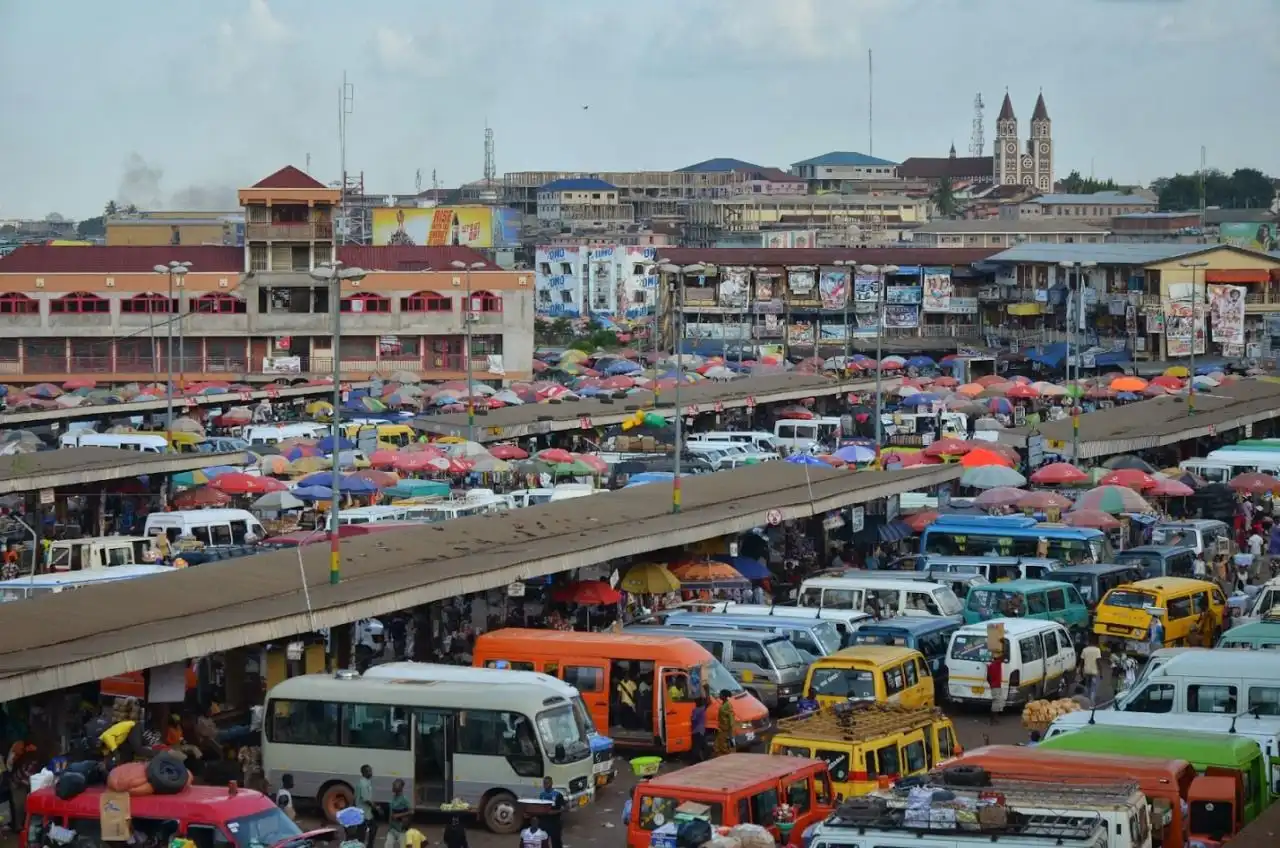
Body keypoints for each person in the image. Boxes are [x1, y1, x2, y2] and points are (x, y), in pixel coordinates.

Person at [537, 776, 566, 848]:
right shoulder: (542, 795)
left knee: (556, 843)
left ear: (551, 783)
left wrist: (554, 812)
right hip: (544, 823)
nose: (545, 785)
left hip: (555, 823)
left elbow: (563, 808)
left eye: (547, 783)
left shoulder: (558, 795)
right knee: (543, 842)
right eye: (544, 783)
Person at [356, 765, 378, 848]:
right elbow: (366, 799)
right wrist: (376, 807)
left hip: (367, 813)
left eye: (371, 770)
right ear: (364, 773)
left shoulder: (367, 782)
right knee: (362, 833)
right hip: (363, 813)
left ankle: (369, 845)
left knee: (373, 828)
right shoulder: (363, 783)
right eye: (369, 771)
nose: (371, 772)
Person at [385, 779, 411, 848]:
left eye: (394, 786)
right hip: (392, 829)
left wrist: (399, 815)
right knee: (388, 845)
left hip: (401, 830)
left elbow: (411, 811)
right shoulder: (393, 798)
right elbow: (391, 813)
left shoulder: (404, 799)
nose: (392, 788)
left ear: (399, 788)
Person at [1078, 637, 1103, 704]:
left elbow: (1081, 662)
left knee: (1087, 686)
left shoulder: (1085, 650)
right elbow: (1098, 662)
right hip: (1094, 672)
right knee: (1093, 688)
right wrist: (1101, 673)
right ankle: (1091, 702)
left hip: (1086, 671)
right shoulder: (1097, 650)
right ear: (1095, 642)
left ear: (1089, 642)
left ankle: (1086, 701)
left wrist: (1080, 672)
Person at [713, 690, 734, 757]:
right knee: (716, 746)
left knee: (722, 746)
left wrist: (730, 729)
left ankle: (728, 757)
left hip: (725, 728)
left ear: (725, 696)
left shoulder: (728, 705)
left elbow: (731, 717)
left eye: (721, 695)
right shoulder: (723, 703)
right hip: (721, 727)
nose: (719, 696)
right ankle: (719, 758)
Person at [986, 653, 1005, 725]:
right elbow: (1003, 656)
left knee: (997, 702)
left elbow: (988, 678)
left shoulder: (990, 665)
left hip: (994, 686)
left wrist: (991, 684)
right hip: (996, 686)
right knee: (996, 703)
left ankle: (994, 719)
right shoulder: (997, 664)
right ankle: (992, 720)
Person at [690, 698, 708, 762]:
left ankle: (695, 760)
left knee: (696, 746)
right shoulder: (703, 709)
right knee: (702, 745)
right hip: (701, 730)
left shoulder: (695, 710)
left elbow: (693, 720)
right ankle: (702, 759)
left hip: (695, 730)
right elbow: (707, 702)